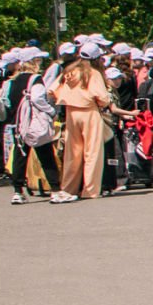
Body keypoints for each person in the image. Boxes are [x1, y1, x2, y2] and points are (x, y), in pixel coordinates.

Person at [51, 52, 112, 202]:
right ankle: (90, 190)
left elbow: (52, 90)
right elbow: (103, 98)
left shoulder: (69, 71)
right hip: (89, 111)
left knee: (72, 153)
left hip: (71, 112)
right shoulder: (93, 73)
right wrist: (102, 103)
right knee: (93, 152)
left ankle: (68, 188)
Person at [5, 54, 63, 203]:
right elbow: (37, 99)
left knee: (20, 156)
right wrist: (51, 111)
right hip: (34, 123)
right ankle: (55, 190)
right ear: (34, 63)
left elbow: (6, 101)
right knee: (46, 155)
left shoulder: (13, 81)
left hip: (19, 123)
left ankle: (17, 191)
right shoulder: (35, 79)